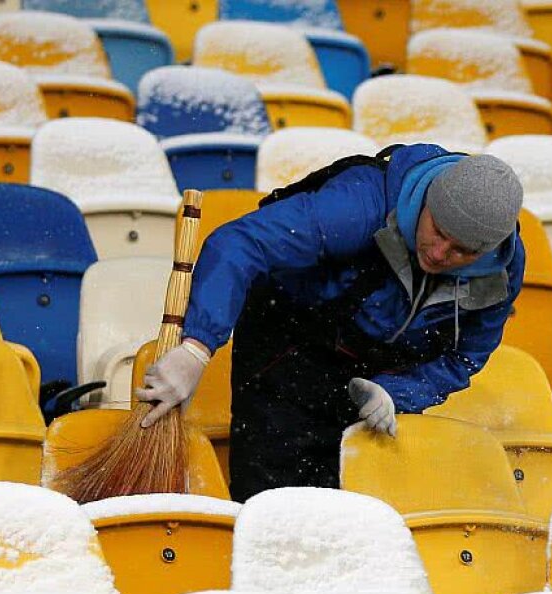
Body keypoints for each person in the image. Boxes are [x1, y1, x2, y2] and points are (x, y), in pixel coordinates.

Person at [135, 144, 526, 502]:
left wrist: (396, 393)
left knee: (356, 513)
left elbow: (464, 358)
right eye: (438, 231)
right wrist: (197, 347)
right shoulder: (359, 205)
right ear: (427, 203)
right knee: (275, 502)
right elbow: (239, 243)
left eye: (462, 250)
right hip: (290, 346)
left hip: (374, 376)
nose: (440, 254)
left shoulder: (503, 271)